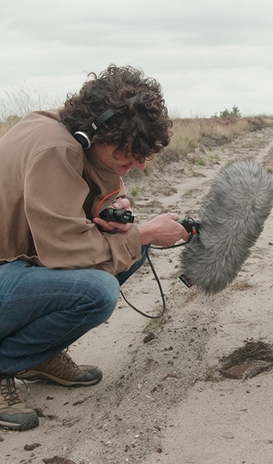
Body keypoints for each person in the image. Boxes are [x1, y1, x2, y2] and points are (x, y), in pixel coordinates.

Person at [0, 65, 189, 431]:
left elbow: (74, 209)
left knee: (129, 249)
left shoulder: (73, 134)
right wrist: (143, 233)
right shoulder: (56, 148)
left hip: (15, 265)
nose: (136, 165)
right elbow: (65, 249)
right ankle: (7, 361)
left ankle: (38, 357)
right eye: (126, 154)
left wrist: (110, 214)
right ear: (94, 134)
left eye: (142, 156)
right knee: (97, 290)